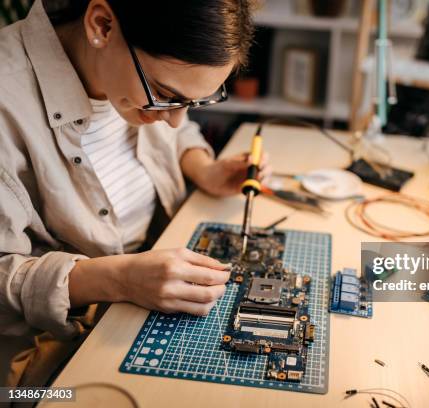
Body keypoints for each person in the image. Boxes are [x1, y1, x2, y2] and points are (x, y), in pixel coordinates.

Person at [0, 0, 266, 385]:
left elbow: (177, 131)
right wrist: (118, 279)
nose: (176, 120)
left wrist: (202, 168)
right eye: (166, 94)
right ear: (103, 25)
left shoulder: (137, 76)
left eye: (193, 102)